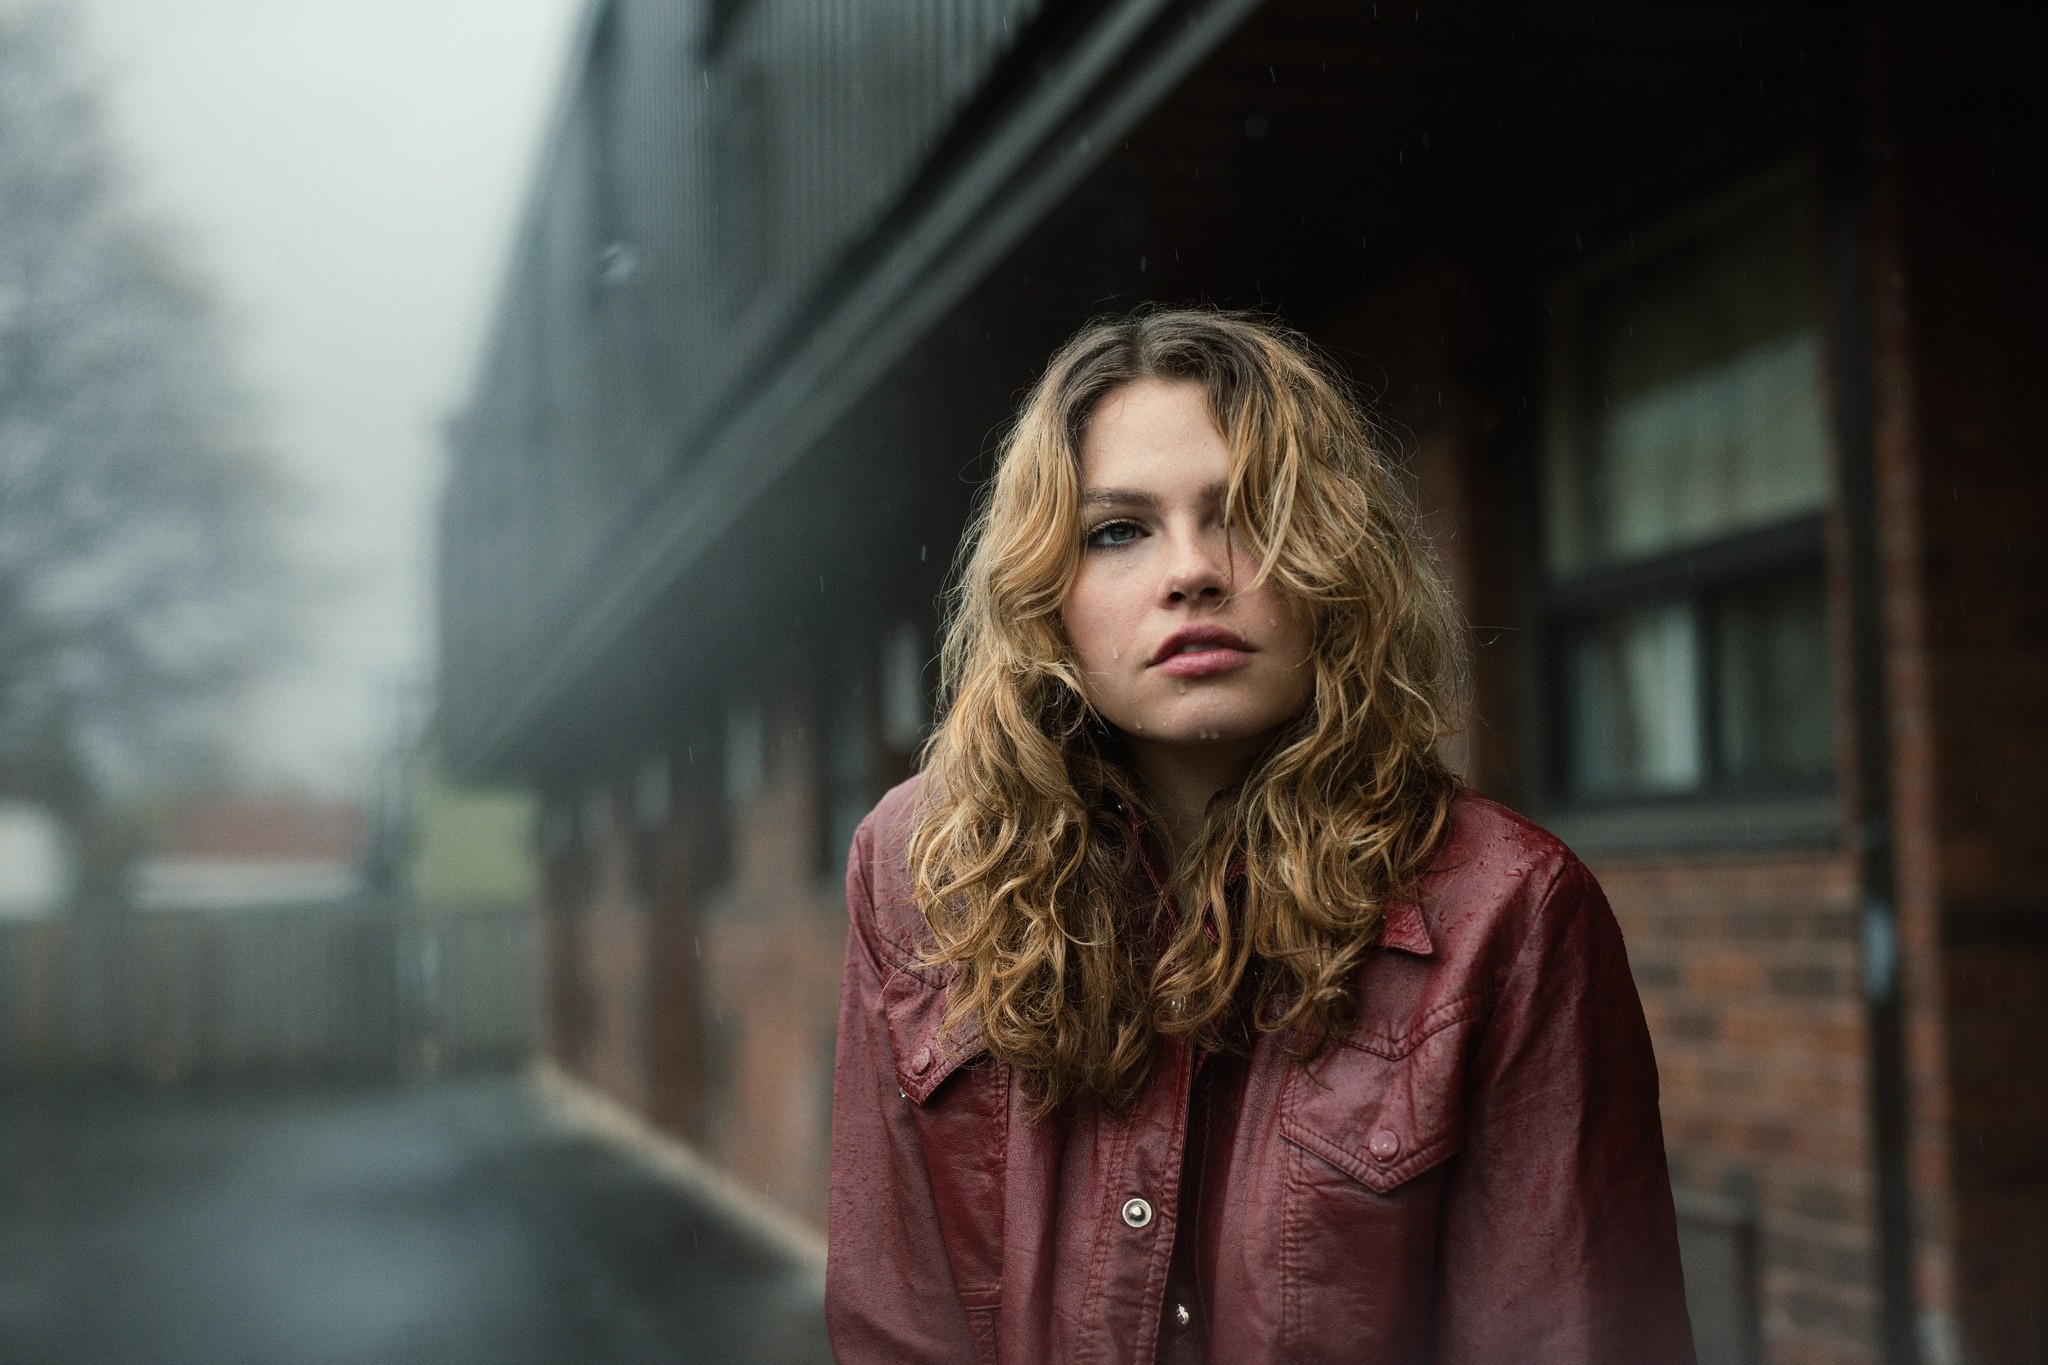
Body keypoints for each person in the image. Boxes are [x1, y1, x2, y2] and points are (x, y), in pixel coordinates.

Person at [825, 309, 1696, 1364]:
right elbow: (896, 1323)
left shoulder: (1506, 909)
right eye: (1116, 531)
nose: (1190, 571)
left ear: (1332, 558)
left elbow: (1566, 1333)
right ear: (1043, 594)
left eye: (1244, 513)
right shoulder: (920, 869)